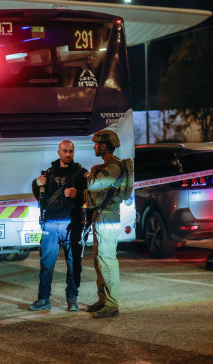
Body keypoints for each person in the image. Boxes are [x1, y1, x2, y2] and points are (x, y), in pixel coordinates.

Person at [28, 140, 87, 312]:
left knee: (74, 264)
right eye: (65, 151)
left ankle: (72, 298)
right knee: (46, 264)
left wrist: (78, 195)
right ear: (59, 152)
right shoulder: (48, 173)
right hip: (51, 224)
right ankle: (43, 299)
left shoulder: (81, 174)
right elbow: (41, 197)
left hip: (73, 224)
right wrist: (36, 183)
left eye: (71, 151)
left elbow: (91, 196)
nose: (68, 154)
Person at [84, 130, 132, 318]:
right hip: (102, 216)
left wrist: (92, 173)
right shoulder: (107, 166)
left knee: (107, 261)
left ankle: (111, 304)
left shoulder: (112, 167)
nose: (95, 147)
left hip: (108, 218)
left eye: (97, 144)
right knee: (99, 261)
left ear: (104, 146)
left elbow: (93, 185)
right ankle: (103, 300)